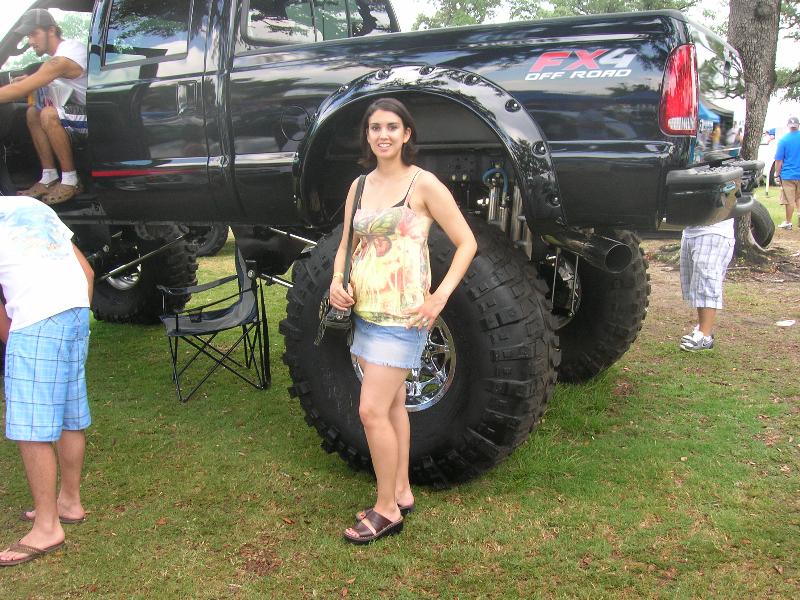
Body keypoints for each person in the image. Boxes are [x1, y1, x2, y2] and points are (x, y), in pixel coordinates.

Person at [328, 98, 477, 544]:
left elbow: (467, 243)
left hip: (403, 317)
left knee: (370, 410)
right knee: (392, 406)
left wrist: (439, 298)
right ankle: (401, 491)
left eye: (392, 127)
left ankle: (386, 510)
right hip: (364, 313)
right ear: (367, 135)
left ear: (407, 133)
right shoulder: (358, 186)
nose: (383, 135)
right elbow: (345, 245)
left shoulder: (422, 183)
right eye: (375, 127)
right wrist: (336, 281)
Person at [0, 196, 93, 567]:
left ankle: (47, 527)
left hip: (36, 320)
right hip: (75, 311)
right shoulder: (31, 205)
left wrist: (18, 341)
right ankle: (69, 502)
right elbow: (86, 272)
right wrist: (76, 322)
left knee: (31, 426)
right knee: (70, 414)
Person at [0, 9, 88, 205]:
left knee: (49, 114)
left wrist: (27, 83)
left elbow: (19, 90)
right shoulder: (63, 54)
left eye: (34, 34)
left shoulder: (65, 57)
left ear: (52, 30)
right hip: (87, 112)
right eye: (28, 36)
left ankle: (71, 181)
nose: (30, 41)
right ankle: (49, 177)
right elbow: (47, 79)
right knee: (33, 113)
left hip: (97, 116)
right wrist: (31, 79)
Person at [679, 217, 734, 352]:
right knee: (697, 284)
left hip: (714, 231)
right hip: (691, 230)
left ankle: (705, 336)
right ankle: (702, 329)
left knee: (706, 282)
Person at [776, 116, 800, 230]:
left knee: (789, 201)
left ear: (788, 126)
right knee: (799, 197)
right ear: (798, 125)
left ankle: (788, 222)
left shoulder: (784, 140)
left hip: (788, 174)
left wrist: (777, 174)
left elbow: (779, 160)